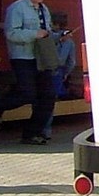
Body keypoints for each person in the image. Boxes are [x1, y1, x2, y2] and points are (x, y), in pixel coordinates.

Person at [3, 0, 57, 145]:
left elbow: (46, 32)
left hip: (41, 59)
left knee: (48, 96)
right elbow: (11, 34)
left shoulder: (44, 9)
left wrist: (58, 37)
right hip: (23, 57)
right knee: (28, 94)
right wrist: (34, 34)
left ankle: (32, 133)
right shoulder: (17, 8)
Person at [40, 12, 77, 141]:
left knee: (41, 100)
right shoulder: (70, 42)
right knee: (51, 101)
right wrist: (66, 73)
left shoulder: (49, 38)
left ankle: (39, 128)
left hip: (45, 69)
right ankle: (46, 130)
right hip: (58, 71)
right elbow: (72, 61)